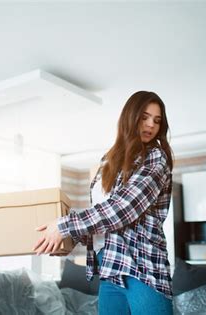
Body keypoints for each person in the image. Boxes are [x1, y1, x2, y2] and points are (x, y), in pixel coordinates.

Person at [34, 91, 174, 314]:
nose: (150, 125)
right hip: (109, 267)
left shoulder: (155, 157)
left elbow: (123, 208)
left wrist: (64, 226)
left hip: (141, 267)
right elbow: (101, 216)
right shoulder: (109, 160)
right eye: (144, 117)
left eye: (157, 121)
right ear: (130, 117)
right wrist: (68, 240)